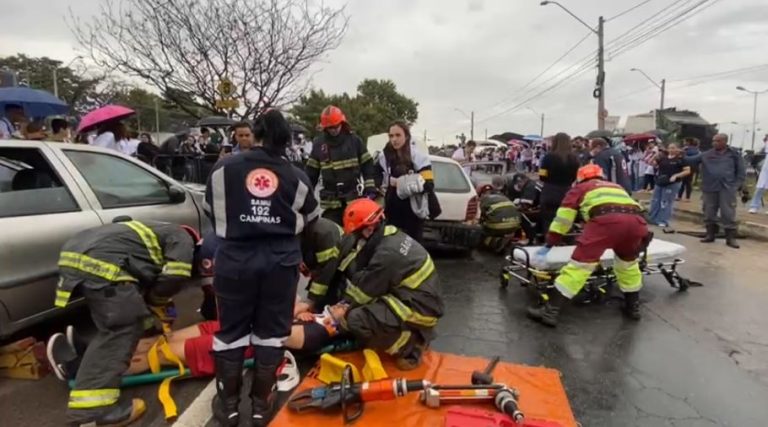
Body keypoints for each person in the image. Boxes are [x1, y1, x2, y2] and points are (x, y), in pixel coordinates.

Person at [204, 109, 320, 427]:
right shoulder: (297, 176)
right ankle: (260, 406)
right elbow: (311, 221)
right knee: (271, 335)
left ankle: (227, 407)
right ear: (288, 139)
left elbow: (213, 216)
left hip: (235, 259)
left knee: (230, 334)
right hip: (280, 263)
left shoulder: (223, 169)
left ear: (254, 134)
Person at [55, 218, 202, 426]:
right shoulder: (183, 238)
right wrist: (157, 300)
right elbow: (175, 276)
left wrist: (155, 311)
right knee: (123, 329)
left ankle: (81, 362)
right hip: (102, 264)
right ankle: (92, 411)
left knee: (121, 322)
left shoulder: (148, 233)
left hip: (76, 255)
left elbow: (143, 287)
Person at [527, 164, 648, 327]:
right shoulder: (616, 186)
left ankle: (550, 311)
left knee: (579, 267)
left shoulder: (580, 188)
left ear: (580, 178)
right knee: (628, 266)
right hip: (637, 224)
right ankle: (633, 308)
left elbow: (564, 219)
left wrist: (551, 241)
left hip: (605, 223)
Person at [339, 198, 443, 370]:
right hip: (418, 299)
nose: (356, 239)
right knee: (362, 310)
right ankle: (413, 334)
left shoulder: (387, 255)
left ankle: (410, 347)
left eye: (357, 233)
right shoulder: (390, 235)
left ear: (369, 229)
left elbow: (365, 293)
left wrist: (342, 313)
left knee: (356, 320)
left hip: (419, 308)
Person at [305, 105, 377, 225]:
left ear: (342, 123)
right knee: (332, 235)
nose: (333, 130)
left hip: (354, 199)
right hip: (331, 203)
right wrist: (305, 195)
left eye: (336, 126)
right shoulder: (319, 144)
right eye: (330, 127)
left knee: (355, 233)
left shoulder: (354, 141)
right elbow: (311, 173)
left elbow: (367, 164)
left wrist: (370, 187)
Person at [377, 121, 434, 242]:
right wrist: (384, 182)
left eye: (398, 135)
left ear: (406, 136)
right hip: (391, 212)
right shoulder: (384, 157)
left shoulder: (419, 157)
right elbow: (375, 178)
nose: (394, 139)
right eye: (391, 136)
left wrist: (401, 183)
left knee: (412, 250)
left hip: (413, 215)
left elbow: (428, 185)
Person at [699, 133, 746, 248]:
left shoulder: (734, 154)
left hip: (727, 188)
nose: (714, 143)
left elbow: (741, 171)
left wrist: (736, 185)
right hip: (710, 187)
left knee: (728, 213)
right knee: (709, 211)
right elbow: (690, 160)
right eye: (713, 141)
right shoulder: (707, 154)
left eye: (718, 141)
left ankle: (730, 238)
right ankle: (710, 234)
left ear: (725, 142)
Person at [538, 132, 580, 234]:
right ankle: (566, 240)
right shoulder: (574, 158)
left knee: (549, 220)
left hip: (550, 192)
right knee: (566, 219)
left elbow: (542, 175)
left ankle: (550, 241)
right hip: (568, 192)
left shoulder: (548, 157)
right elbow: (576, 176)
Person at [302, 217, 346, 310]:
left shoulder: (326, 235)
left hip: (337, 273)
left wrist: (310, 301)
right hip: (323, 263)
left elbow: (326, 270)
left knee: (325, 303)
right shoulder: (299, 229)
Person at [647, 143, 691, 227]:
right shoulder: (663, 158)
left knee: (665, 202)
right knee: (655, 200)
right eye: (670, 148)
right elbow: (651, 163)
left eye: (673, 148)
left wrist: (676, 176)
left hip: (672, 183)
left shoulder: (681, 159)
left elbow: (687, 171)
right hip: (660, 181)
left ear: (677, 149)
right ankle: (652, 218)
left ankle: (663, 220)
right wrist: (654, 156)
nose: (671, 150)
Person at [477, 178, 521, 253]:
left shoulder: (484, 201)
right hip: (515, 225)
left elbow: (479, 217)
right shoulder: (503, 197)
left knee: (479, 232)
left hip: (499, 226)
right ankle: (504, 240)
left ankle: (497, 242)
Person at [502, 173, 542, 243]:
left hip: (542, 209)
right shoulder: (531, 184)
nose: (518, 186)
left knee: (520, 215)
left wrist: (517, 205)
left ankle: (530, 238)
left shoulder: (530, 186)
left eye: (518, 183)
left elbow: (528, 203)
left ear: (520, 181)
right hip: (541, 207)